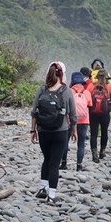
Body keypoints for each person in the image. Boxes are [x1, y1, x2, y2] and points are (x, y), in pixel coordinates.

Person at [30, 61, 76, 205]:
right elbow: (73, 114)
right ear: (62, 74)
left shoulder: (41, 90)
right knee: (55, 163)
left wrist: (33, 130)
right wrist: (74, 131)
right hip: (60, 132)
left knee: (47, 159)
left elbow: (34, 112)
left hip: (43, 131)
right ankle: (51, 195)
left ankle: (42, 188)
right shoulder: (66, 91)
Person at [89, 68, 111, 162]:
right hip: (105, 114)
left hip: (93, 113)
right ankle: (102, 152)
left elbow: (87, 98)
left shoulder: (91, 86)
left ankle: (94, 155)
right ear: (106, 77)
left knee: (93, 133)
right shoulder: (110, 86)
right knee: (104, 132)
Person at [60, 71, 92, 171]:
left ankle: (64, 163)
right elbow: (90, 106)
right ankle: (79, 165)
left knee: (65, 142)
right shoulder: (86, 92)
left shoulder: (69, 92)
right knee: (81, 143)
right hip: (84, 121)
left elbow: (64, 106)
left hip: (70, 121)